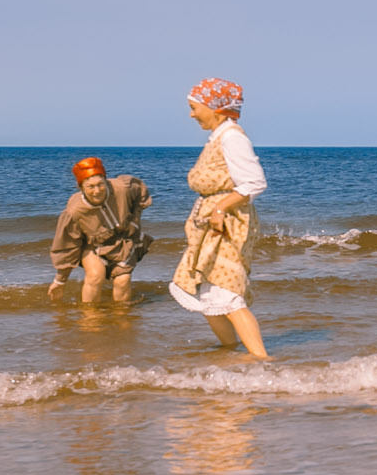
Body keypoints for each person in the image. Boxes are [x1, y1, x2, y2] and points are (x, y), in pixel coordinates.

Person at [170, 77, 271, 359]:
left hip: (228, 222)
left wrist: (219, 209)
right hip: (215, 221)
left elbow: (254, 183)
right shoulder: (219, 137)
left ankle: (262, 359)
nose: (191, 114)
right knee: (208, 292)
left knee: (228, 292)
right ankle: (229, 352)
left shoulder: (232, 137)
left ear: (215, 107)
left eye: (194, 107)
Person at [47, 157, 153, 303]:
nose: (97, 191)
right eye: (90, 187)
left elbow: (140, 194)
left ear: (106, 180)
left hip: (123, 242)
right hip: (92, 246)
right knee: (95, 276)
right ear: (81, 187)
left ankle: (122, 318)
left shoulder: (122, 188)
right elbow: (67, 246)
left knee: (123, 280)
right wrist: (60, 281)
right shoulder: (75, 211)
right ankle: (90, 318)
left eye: (100, 185)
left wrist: (134, 221)